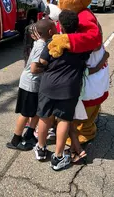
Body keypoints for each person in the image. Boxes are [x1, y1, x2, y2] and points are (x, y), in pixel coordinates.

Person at [34, 10, 90, 171]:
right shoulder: (81, 44)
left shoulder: (53, 41)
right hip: (69, 88)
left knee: (45, 117)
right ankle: (58, 157)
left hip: (48, 85)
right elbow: (87, 59)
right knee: (64, 120)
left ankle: (41, 148)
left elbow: (43, 61)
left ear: (61, 26)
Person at [6, 19, 57, 150]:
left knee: (36, 111)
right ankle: (15, 139)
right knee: (26, 113)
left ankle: (29, 134)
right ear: (50, 31)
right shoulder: (41, 46)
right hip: (30, 83)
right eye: (54, 27)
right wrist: (48, 69)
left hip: (34, 83)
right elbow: (34, 68)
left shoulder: (41, 42)